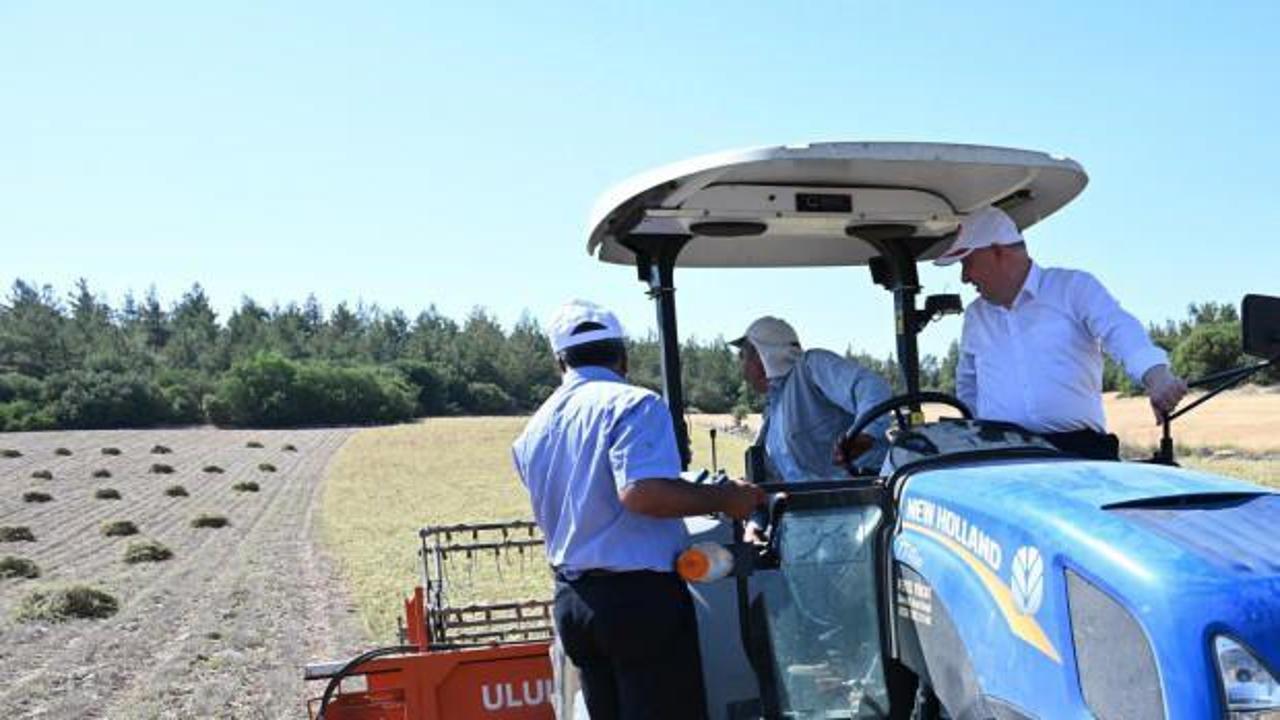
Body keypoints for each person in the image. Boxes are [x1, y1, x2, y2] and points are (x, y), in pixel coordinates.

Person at [512, 299, 765, 720]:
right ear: (623, 357)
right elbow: (642, 493)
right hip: (637, 602)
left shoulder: (534, 429)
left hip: (574, 602)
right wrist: (725, 498)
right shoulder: (634, 404)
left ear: (560, 361)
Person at [934, 205, 1188, 460]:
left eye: (967, 262)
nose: (964, 277)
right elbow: (968, 388)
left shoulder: (1074, 288)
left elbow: (1119, 329)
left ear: (998, 251)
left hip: (1078, 455)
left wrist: (1156, 376)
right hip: (1002, 457)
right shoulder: (976, 316)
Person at [731, 316, 894, 484]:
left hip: (864, 489)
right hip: (812, 498)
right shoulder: (773, 407)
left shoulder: (810, 368)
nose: (742, 368)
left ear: (762, 354)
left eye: (743, 356)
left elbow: (872, 387)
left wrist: (865, 434)